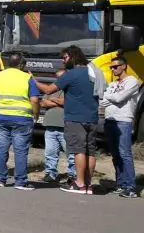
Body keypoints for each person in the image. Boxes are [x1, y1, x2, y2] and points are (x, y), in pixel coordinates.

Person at [36, 46, 100, 194]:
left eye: (65, 58)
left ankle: (79, 184)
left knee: (78, 150)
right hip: (92, 116)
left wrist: (32, 80)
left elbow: (47, 90)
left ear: (72, 57)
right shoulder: (95, 72)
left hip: (75, 118)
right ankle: (88, 185)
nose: (63, 61)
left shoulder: (71, 74)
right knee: (90, 151)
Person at [0, 52, 39, 190]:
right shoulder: (27, 77)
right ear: (21, 64)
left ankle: (0, 179)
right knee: (20, 150)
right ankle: (20, 181)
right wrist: (36, 114)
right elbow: (34, 100)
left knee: (1, 148)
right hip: (21, 117)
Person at [101, 55, 140, 198]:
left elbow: (119, 98)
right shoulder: (112, 84)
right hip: (109, 120)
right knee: (115, 154)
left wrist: (107, 96)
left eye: (115, 66)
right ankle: (120, 184)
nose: (112, 69)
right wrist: (109, 98)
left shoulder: (132, 81)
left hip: (123, 120)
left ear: (124, 66)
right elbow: (102, 102)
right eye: (111, 67)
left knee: (125, 154)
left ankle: (130, 187)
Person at [41, 69, 74, 185]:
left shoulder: (72, 89)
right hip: (50, 125)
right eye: (58, 77)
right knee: (50, 152)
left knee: (70, 153)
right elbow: (43, 103)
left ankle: (73, 175)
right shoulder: (52, 89)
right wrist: (59, 102)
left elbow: (70, 102)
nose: (60, 79)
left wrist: (53, 101)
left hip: (66, 126)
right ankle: (50, 173)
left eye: (62, 77)